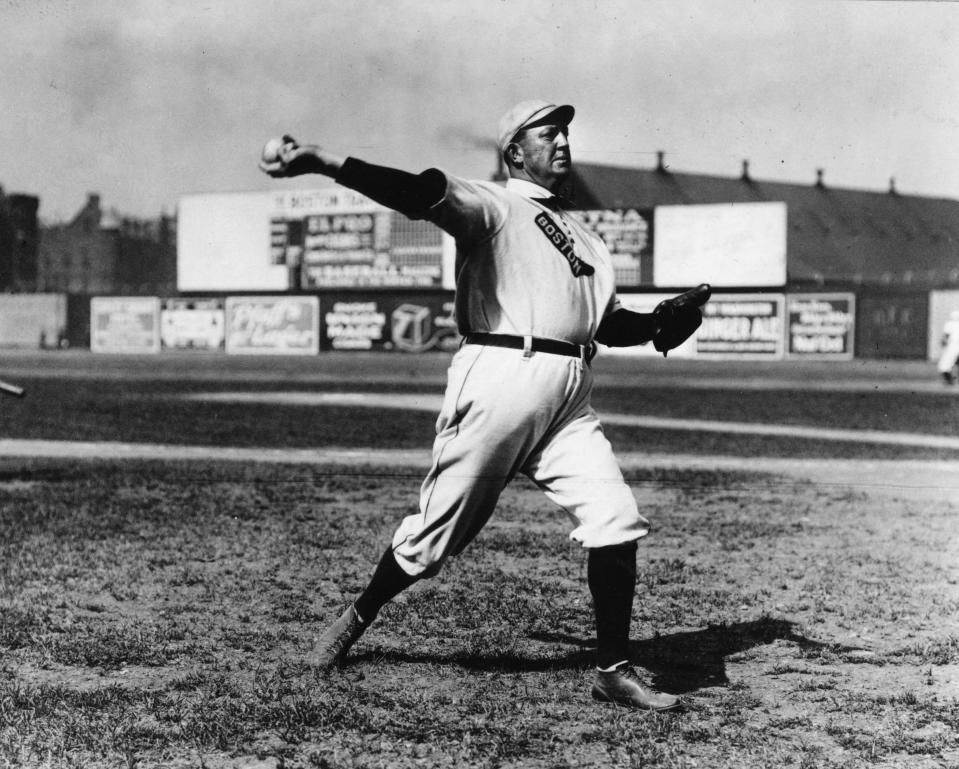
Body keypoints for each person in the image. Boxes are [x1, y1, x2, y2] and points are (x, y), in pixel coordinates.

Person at [260, 99, 702, 711]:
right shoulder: (494, 204)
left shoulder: (591, 240)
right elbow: (415, 191)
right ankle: (356, 618)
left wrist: (660, 322)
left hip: (570, 389)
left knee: (616, 520)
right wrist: (322, 161)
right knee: (433, 539)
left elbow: (605, 324)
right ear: (515, 151)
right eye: (548, 132)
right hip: (501, 373)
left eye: (566, 131)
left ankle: (613, 669)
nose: (563, 141)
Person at [938, 310, 959, 385]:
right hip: (954, 345)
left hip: (953, 346)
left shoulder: (949, 324)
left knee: (945, 364)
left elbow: (946, 336)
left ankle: (949, 380)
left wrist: (942, 343)